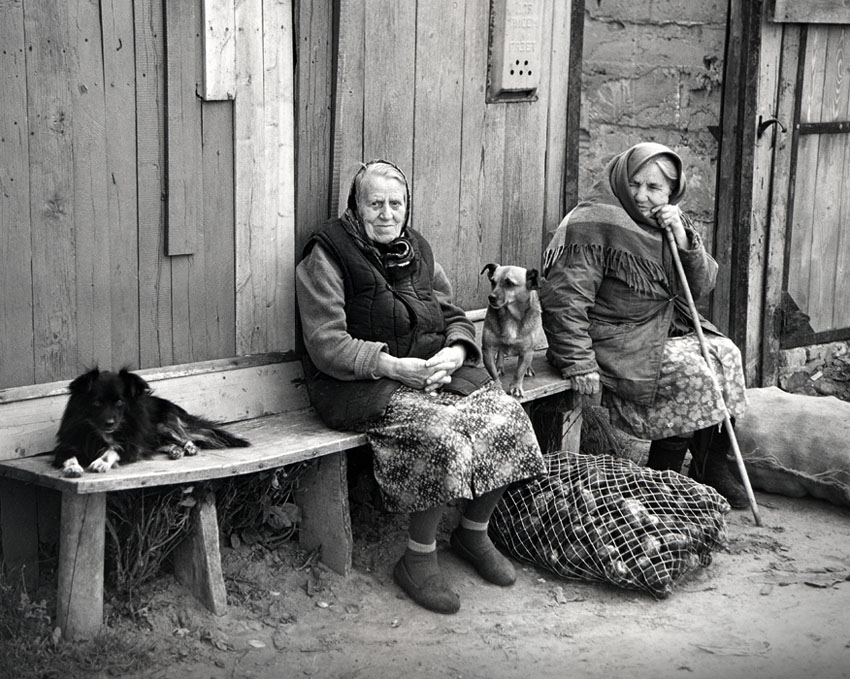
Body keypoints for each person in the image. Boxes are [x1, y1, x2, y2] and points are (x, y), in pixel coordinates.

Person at [295, 160, 546, 614]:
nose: (387, 214)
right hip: (360, 383)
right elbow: (325, 343)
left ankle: (473, 533)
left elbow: (450, 312)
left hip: (431, 370)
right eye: (375, 204)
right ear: (355, 206)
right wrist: (391, 365)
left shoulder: (419, 250)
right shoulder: (327, 255)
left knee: (510, 418)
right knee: (442, 434)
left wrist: (457, 348)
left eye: (396, 203)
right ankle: (418, 557)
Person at [539, 142, 749, 508]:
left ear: (672, 192)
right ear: (621, 177)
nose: (641, 195)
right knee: (690, 372)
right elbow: (565, 300)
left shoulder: (669, 222)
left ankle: (710, 466)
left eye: (654, 188)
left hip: (658, 327)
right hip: (608, 335)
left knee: (726, 354)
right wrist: (578, 361)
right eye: (635, 183)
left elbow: (700, 285)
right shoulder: (593, 221)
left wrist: (684, 239)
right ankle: (660, 480)